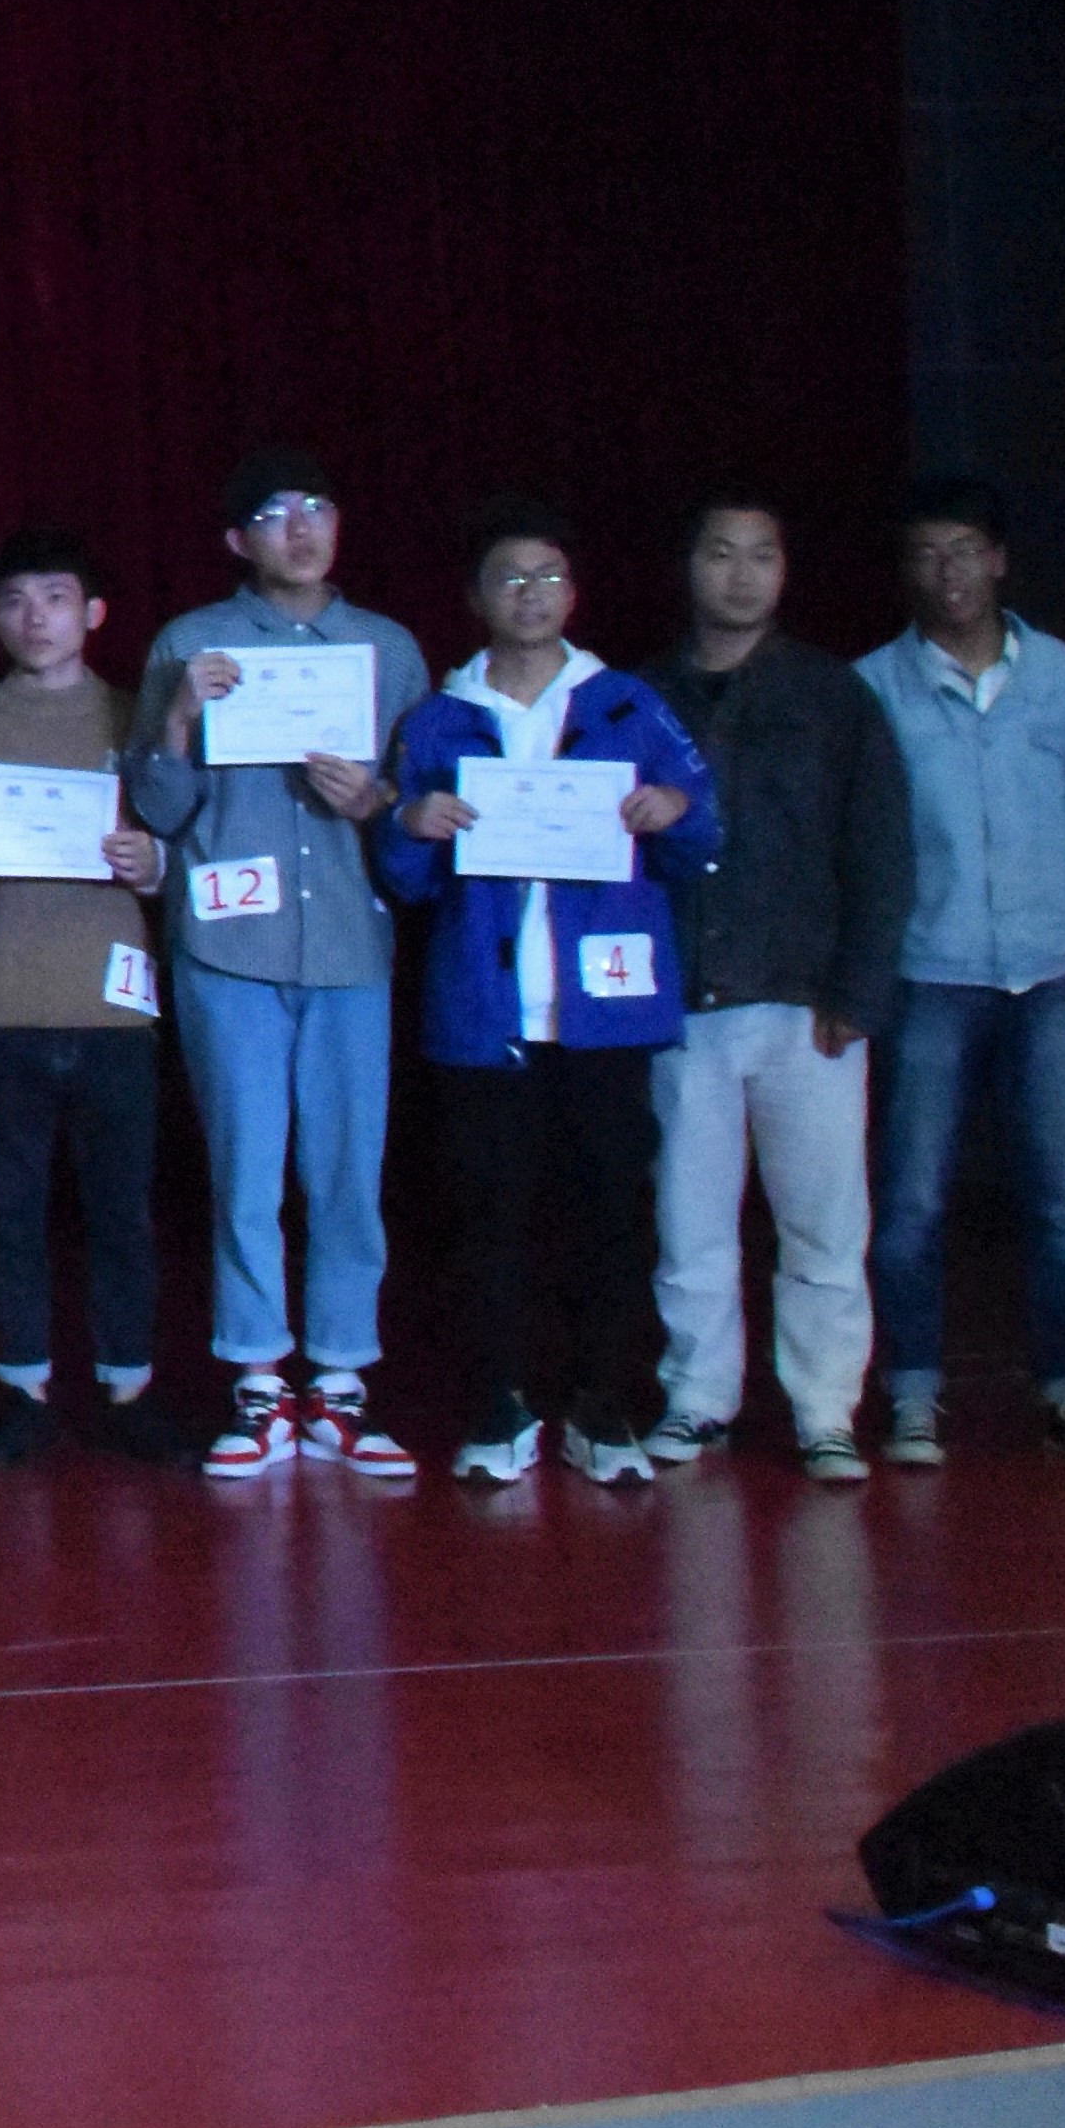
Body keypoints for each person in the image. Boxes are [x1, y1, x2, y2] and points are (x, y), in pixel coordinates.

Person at [377, 504, 715, 1486]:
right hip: (485, 1019)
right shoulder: (438, 717)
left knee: (608, 1212)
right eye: (510, 577)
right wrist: (412, 823)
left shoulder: (627, 704)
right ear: (476, 597)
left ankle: (601, 1405)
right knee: (487, 1219)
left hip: (604, 1013)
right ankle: (499, 1403)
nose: (532, 594)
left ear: (573, 592)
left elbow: (703, 836)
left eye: (549, 576)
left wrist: (673, 807)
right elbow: (404, 880)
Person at [126, 447, 432, 1480]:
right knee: (245, 1169)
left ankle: (340, 1379)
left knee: (348, 1170)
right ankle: (257, 1380)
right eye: (273, 513)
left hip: (349, 941)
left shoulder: (387, 648)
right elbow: (158, 811)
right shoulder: (190, 642)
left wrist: (376, 800)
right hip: (230, 946)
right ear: (237, 539)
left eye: (317, 507)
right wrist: (178, 719)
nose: (299, 529)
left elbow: (422, 809)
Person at [854, 479, 1065, 1470]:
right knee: (913, 1200)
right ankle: (913, 1393)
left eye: (966, 548)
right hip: (931, 970)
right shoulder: (874, 684)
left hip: (1046, 969)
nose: (950, 571)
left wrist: (1047, 893)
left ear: (1000, 558)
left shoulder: (1057, 672)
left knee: (1057, 1199)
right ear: (906, 568)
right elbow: (866, 831)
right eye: (928, 552)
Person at [640, 497, 911, 1480]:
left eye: (762, 555)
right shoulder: (638, 696)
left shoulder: (834, 696)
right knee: (690, 1224)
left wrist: (860, 990)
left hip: (808, 1002)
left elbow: (880, 849)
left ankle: (825, 1408)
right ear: (690, 566)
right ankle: (697, 1397)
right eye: (721, 553)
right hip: (681, 1002)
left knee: (824, 1223)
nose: (742, 574)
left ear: (786, 572)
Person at [0, 528, 184, 1464]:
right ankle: (22, 1386)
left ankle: (129, 1385)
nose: (36, 617)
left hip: (115, 1009)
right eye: (16, 600)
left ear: (93, 612)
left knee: (122, 1210)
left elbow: (183, 852)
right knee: (11, 1210)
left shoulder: (139, 719)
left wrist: (154, 863)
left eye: (56, 597)